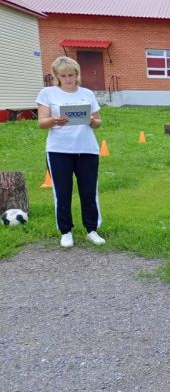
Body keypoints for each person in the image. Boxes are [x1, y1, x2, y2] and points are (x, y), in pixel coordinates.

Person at [36, 56, 105, 248]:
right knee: (62, 192)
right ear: (57, 76)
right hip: (59, 150)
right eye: (64, 75)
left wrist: (92, 121)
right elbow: (41, 123)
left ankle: (92, 229)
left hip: (87, 149)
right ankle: (66, 231)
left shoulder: (87, 94)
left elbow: (98, 122)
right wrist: (54, 120)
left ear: (77, 75)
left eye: (71, 75)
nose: (68, 79)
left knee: (89, 191)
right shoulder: (47, 93)